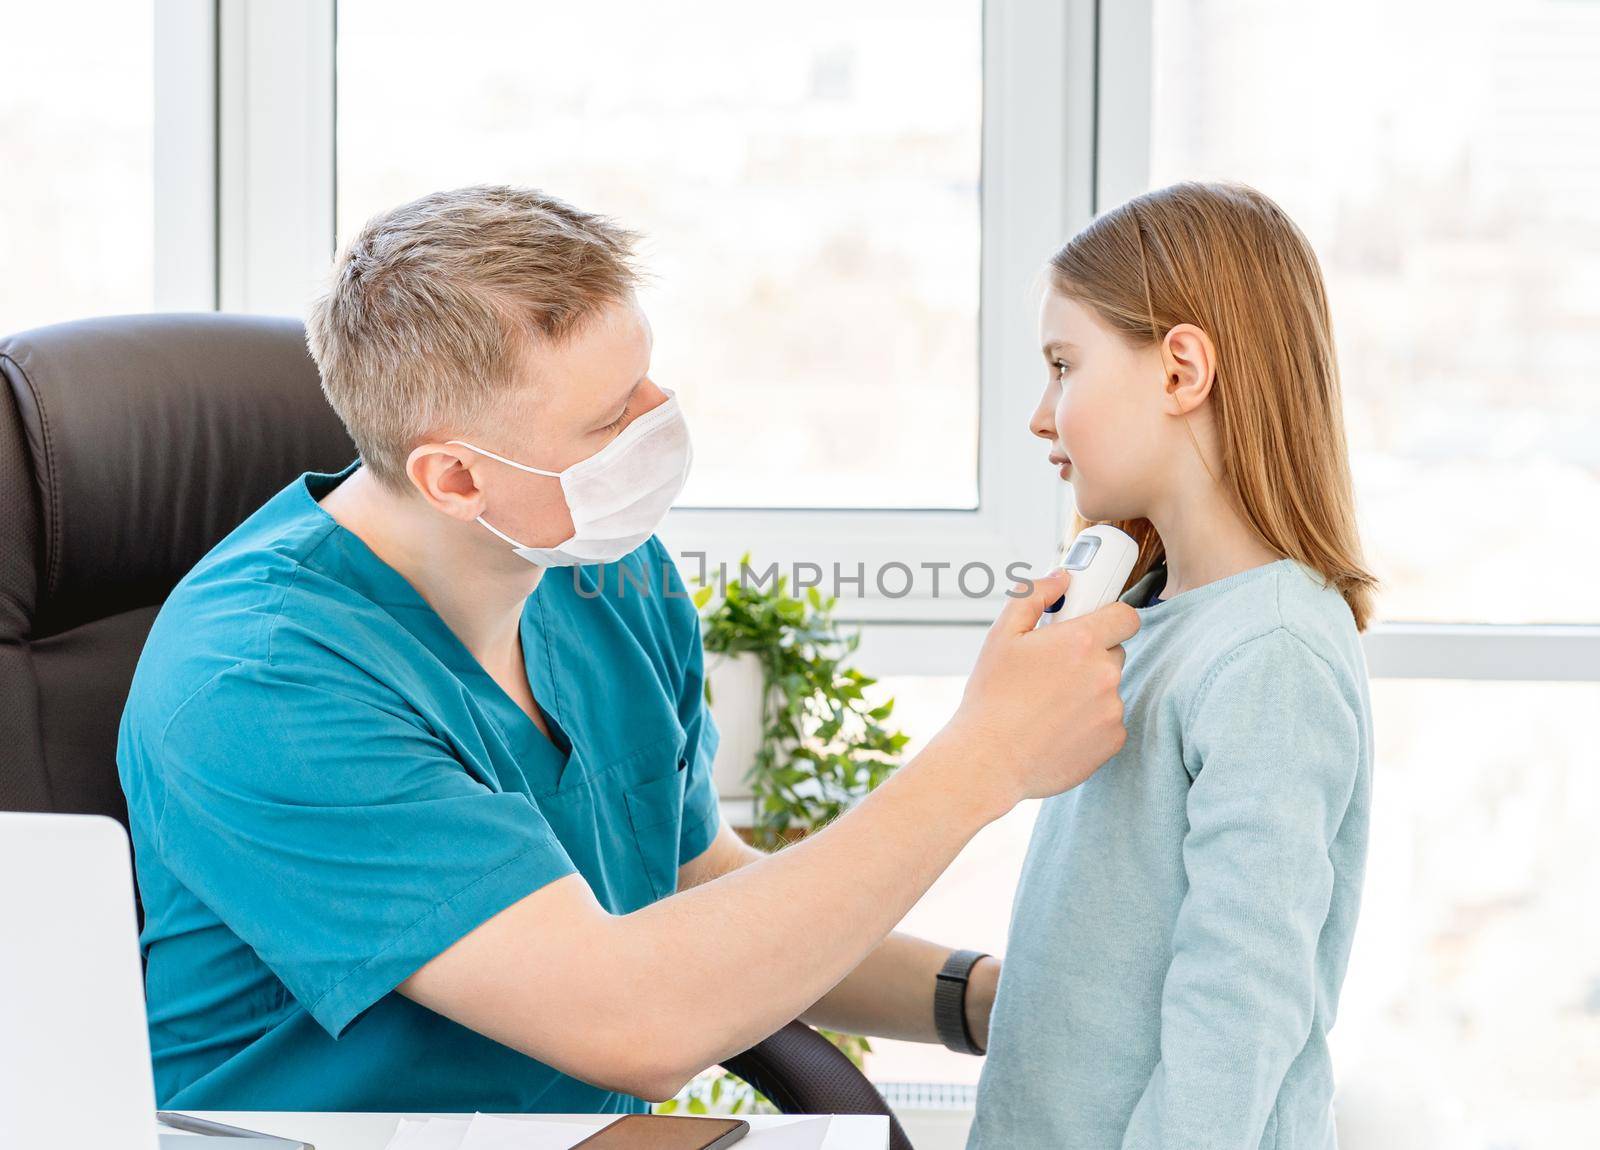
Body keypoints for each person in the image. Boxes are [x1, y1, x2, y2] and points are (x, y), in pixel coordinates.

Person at [116, 184, 1140, 1113]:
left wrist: (987, 1002)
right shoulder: (256, 681)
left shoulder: (610, 577)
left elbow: (706, 893)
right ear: (456, 481)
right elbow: (634, 1022)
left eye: (647, 382)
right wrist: (984, 759)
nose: (660, 425)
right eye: (611, 420)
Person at [967, 181, 1377, 1149]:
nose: (1039, 415)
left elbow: (1237, 1009)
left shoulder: (1267, 651)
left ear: (1181, 368)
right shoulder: (1149, 621)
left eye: (1063, 366)